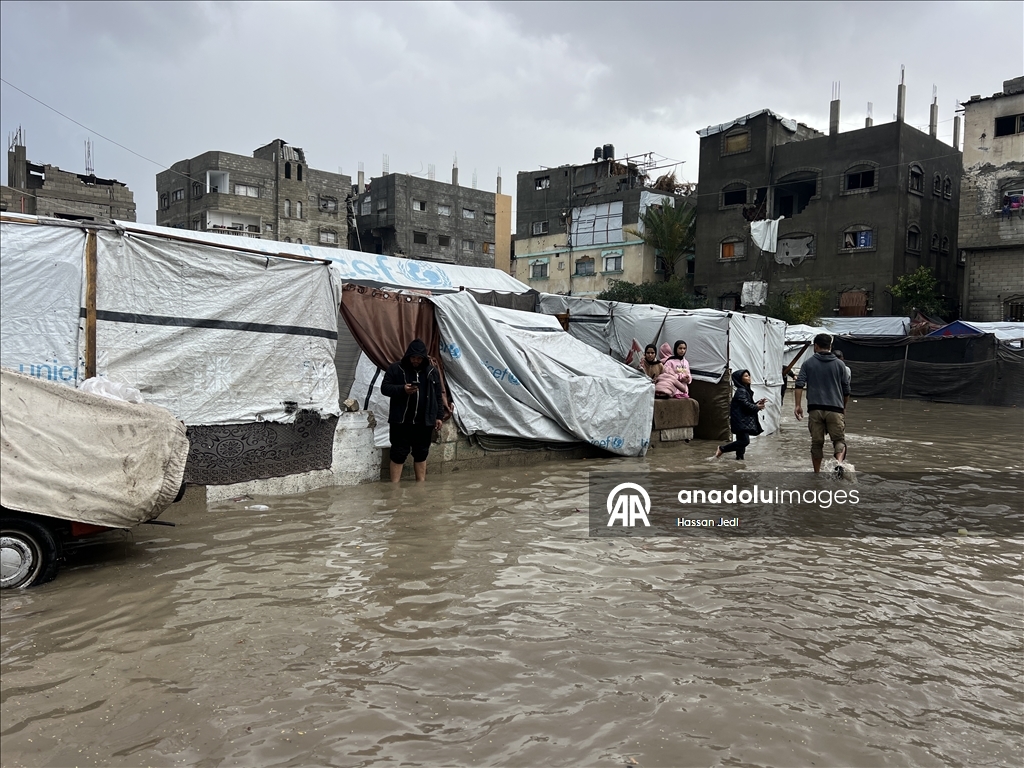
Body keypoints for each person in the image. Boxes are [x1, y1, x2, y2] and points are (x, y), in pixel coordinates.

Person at [381, 339, 444, 482]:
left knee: (421, 453)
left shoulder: (431, 371)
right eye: (413, 357)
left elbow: (438, 395)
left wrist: (439, 416)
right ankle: (394, 488)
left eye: (419, 358)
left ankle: (420, 486)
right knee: (398, 454)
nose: (416, 361)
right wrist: (402, 389)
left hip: (424, 422)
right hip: (401, 421)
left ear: (424, 358)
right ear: (408, 356)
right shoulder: (396, 369)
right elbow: (384, 388)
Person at [793, 333, 851, 473]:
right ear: (830, 346)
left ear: (816, 346)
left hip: (815, 409)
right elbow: (846, 390)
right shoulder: (840, 364)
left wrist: (798, 405)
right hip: (835, 408)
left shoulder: (808, 363)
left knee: (817, 443)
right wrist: (843, 407)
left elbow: (799, 385)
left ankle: (817, 473)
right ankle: (839, 464)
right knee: (838, 440)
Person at [715, 369, 765, 460]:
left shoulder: (744, 390)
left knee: (741, 443)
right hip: (740, 420)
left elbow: (746, 405)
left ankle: (739, 460)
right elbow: (745, 405)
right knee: (744, 441)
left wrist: (757, 404)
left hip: (741, 420)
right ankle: (722, 449)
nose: (749, 377)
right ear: (739, 379)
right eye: (746, 376)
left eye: (749, 375)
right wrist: (757, 407)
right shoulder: (741, 391)